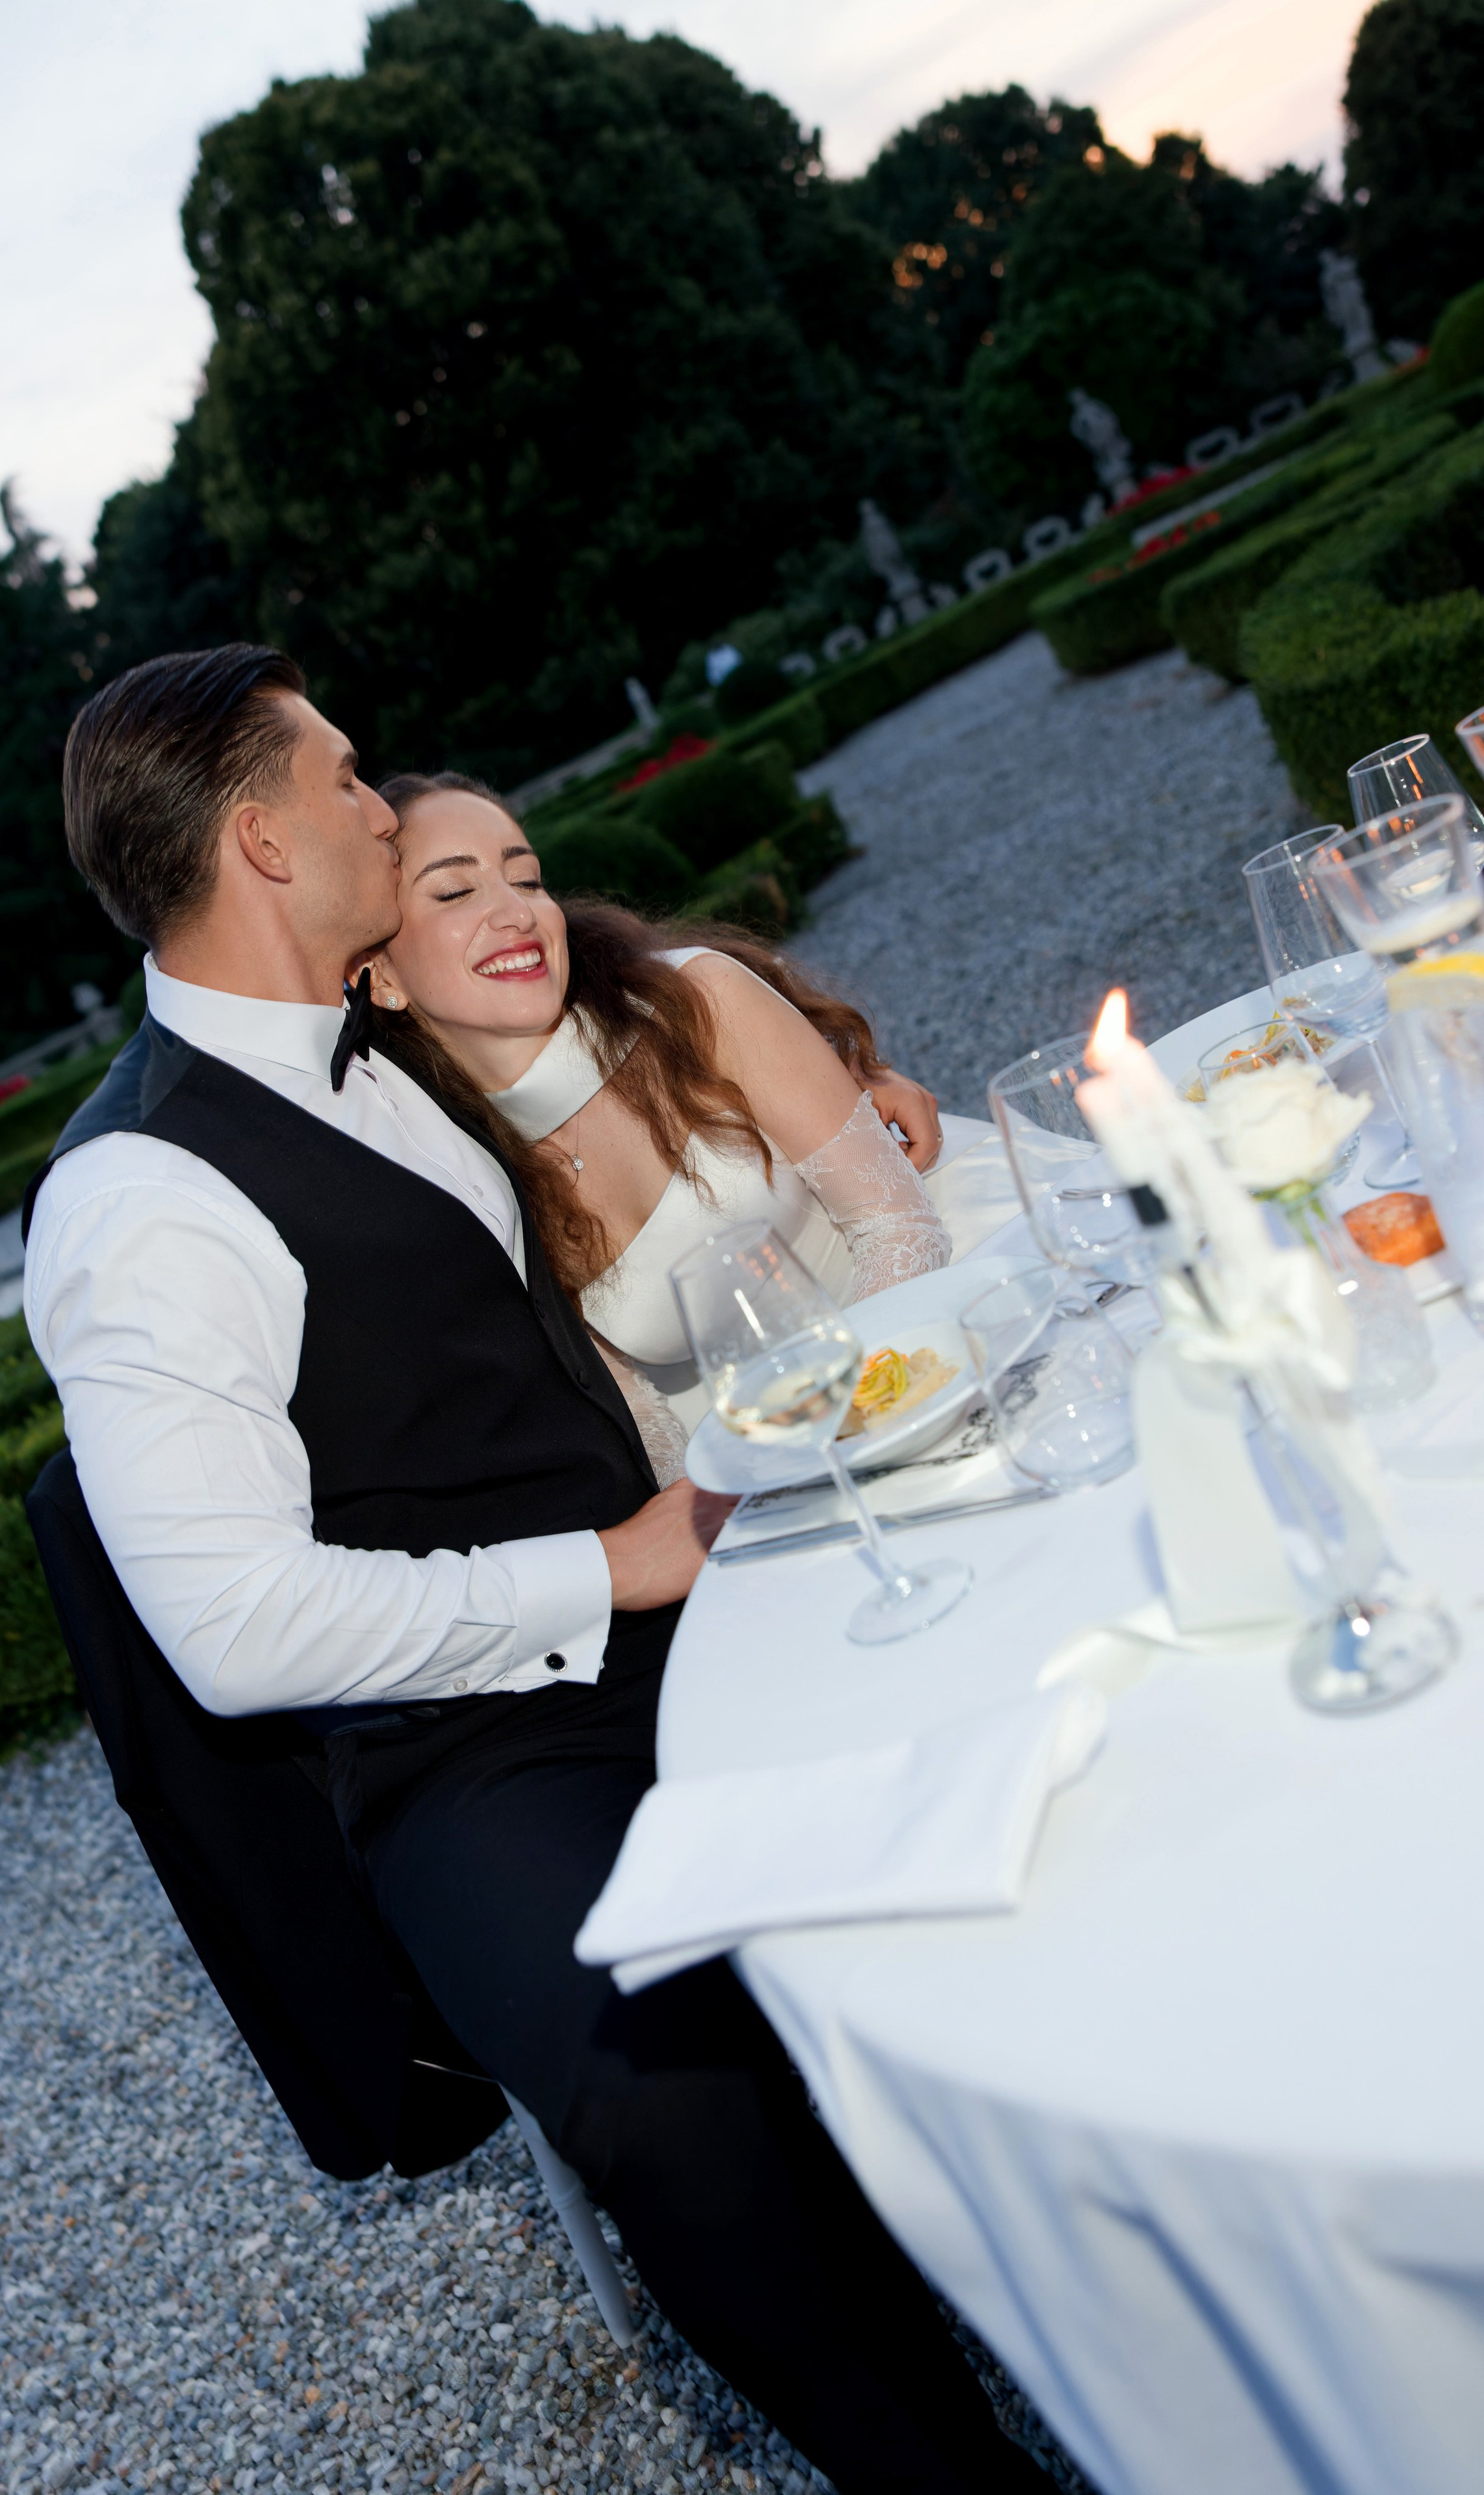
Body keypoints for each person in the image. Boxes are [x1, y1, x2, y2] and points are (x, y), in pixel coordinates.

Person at [25, 645, 1053, 2495]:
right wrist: (617, 1567)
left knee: (1030, 1753)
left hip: (706, 1586)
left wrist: (851, 1093)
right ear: (263, 840)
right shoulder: (136, 1199)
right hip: (475, 1746)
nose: (377, 801)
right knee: (672, 2097)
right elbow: (237, 1626)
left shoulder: (396, 1033)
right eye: (344, 782)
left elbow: (641, 1094)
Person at [363, 770, 953, 1481]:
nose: (518, 914)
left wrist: (861, 1418)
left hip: (930, 1319)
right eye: (455, 891)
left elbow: (898, 1227)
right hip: (783, 1449)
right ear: (382, 979)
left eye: (527, 881)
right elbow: (641, 1423)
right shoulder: (472, 1179)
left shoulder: (697, 1002)